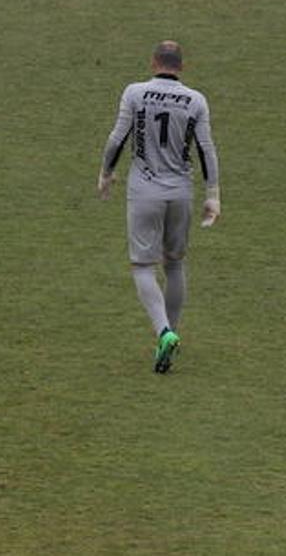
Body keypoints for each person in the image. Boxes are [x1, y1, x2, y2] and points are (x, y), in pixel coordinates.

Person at [98, 40, 221, 374]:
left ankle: (163, 332)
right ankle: (169, 339)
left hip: (144, 190)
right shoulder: (196, 100)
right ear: (181, 66)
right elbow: (206, 150)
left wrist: (106, 173)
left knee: (142, 266)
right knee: (175, 264)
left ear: (153, 62)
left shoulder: (135, 93)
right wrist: (213, 194)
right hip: (180, 191)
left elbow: (118, 138)